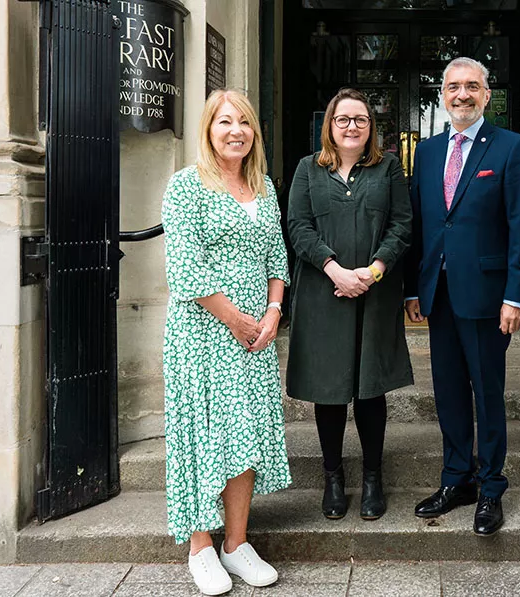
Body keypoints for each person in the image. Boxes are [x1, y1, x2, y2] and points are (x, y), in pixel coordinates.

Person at [404, 57, 520, 536]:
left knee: (487, 392)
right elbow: (421, 225)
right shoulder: (426, 151)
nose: (462, 95)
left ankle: (491, 487)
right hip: (437, 295)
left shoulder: (510, 148)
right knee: (448, 393)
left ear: (486, 94)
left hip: (487, 295)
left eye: (472, 87)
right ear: (442, 94)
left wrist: (517, 296)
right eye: (453, 87)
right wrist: (411, 289)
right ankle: (456, 479)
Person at [161, 89, 289, 595]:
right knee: (201, 434)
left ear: (254, 133)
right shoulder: (186, 186)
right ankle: (201, 547)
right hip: (202, 333)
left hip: (256, 334)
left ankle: (236, 543)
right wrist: (236, 319)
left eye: (244, 123)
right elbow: (185, 266)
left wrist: (274, 310)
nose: (235, 131)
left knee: (245, 434)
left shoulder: (264, 185)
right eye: (224, 122)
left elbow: (277, 257)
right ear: (208, 130)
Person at [287, 88, 413, 521]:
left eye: (360, 119)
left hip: (374, 294)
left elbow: (402, 225)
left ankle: (374, 478)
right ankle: (333, 477)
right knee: (330, 390)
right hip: (325, 293)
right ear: (330, 126)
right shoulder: (308, 169)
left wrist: (372, 272)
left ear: (370, 127)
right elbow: (298, 227)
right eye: (343, 119)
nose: (352, 126)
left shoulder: (389, 168)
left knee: (369, 388)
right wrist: (335, 270)